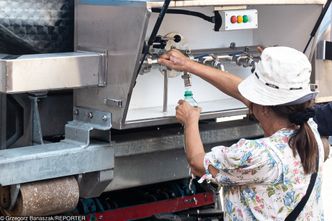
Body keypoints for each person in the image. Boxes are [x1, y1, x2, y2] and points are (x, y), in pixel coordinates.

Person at [158, 47, 325, 220]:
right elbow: (240, 91)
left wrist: (190, 120)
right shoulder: (309, 129)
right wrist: (188, 64)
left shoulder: (256, 155)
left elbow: (198, 163)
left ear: (264, 108)